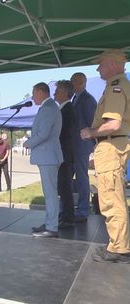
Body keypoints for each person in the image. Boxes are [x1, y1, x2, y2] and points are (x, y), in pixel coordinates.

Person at [80, 49, 130, 263]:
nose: (98, 68)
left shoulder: (115, 87)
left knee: (111, 198)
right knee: (112, 196)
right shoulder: (118, 85)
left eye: (101, 64)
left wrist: (90, 132)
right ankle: (117, 244)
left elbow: (114, 123)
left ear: (112, 63)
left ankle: (119, 249)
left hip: (110, 146)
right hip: (111, 145)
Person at [25, 82, 63, 238]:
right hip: (49, 156)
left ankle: (52, 227)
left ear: (41, 92)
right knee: (50, 192)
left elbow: (43, 134)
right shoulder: (50, 107)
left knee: (50, 193)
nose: (32, 97)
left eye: (34, 93)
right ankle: (50, 223)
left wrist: (29, 143)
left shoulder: (48, 109)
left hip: (48, 156)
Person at [70, 72, 97, 223]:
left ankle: (83, 210)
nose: (72, 85)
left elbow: (93, 124)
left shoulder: (87, 100)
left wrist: (91, 146)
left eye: (74, 82)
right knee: (70, 177)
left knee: (81, 178)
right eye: (71, 82)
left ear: (82, 83)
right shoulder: (76, 98)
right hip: (74, 145)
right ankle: (72, 209)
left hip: (82, 145)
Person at [54, 80, 77, 228]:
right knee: (63, 186)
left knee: (65, 186)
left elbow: (65, 133)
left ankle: (68, 218)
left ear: (64, 92)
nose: (54, 93)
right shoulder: (64, 109)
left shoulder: (67, 109)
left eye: (57, 90)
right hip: (64, 152)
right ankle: (65, 215)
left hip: (65, 153)